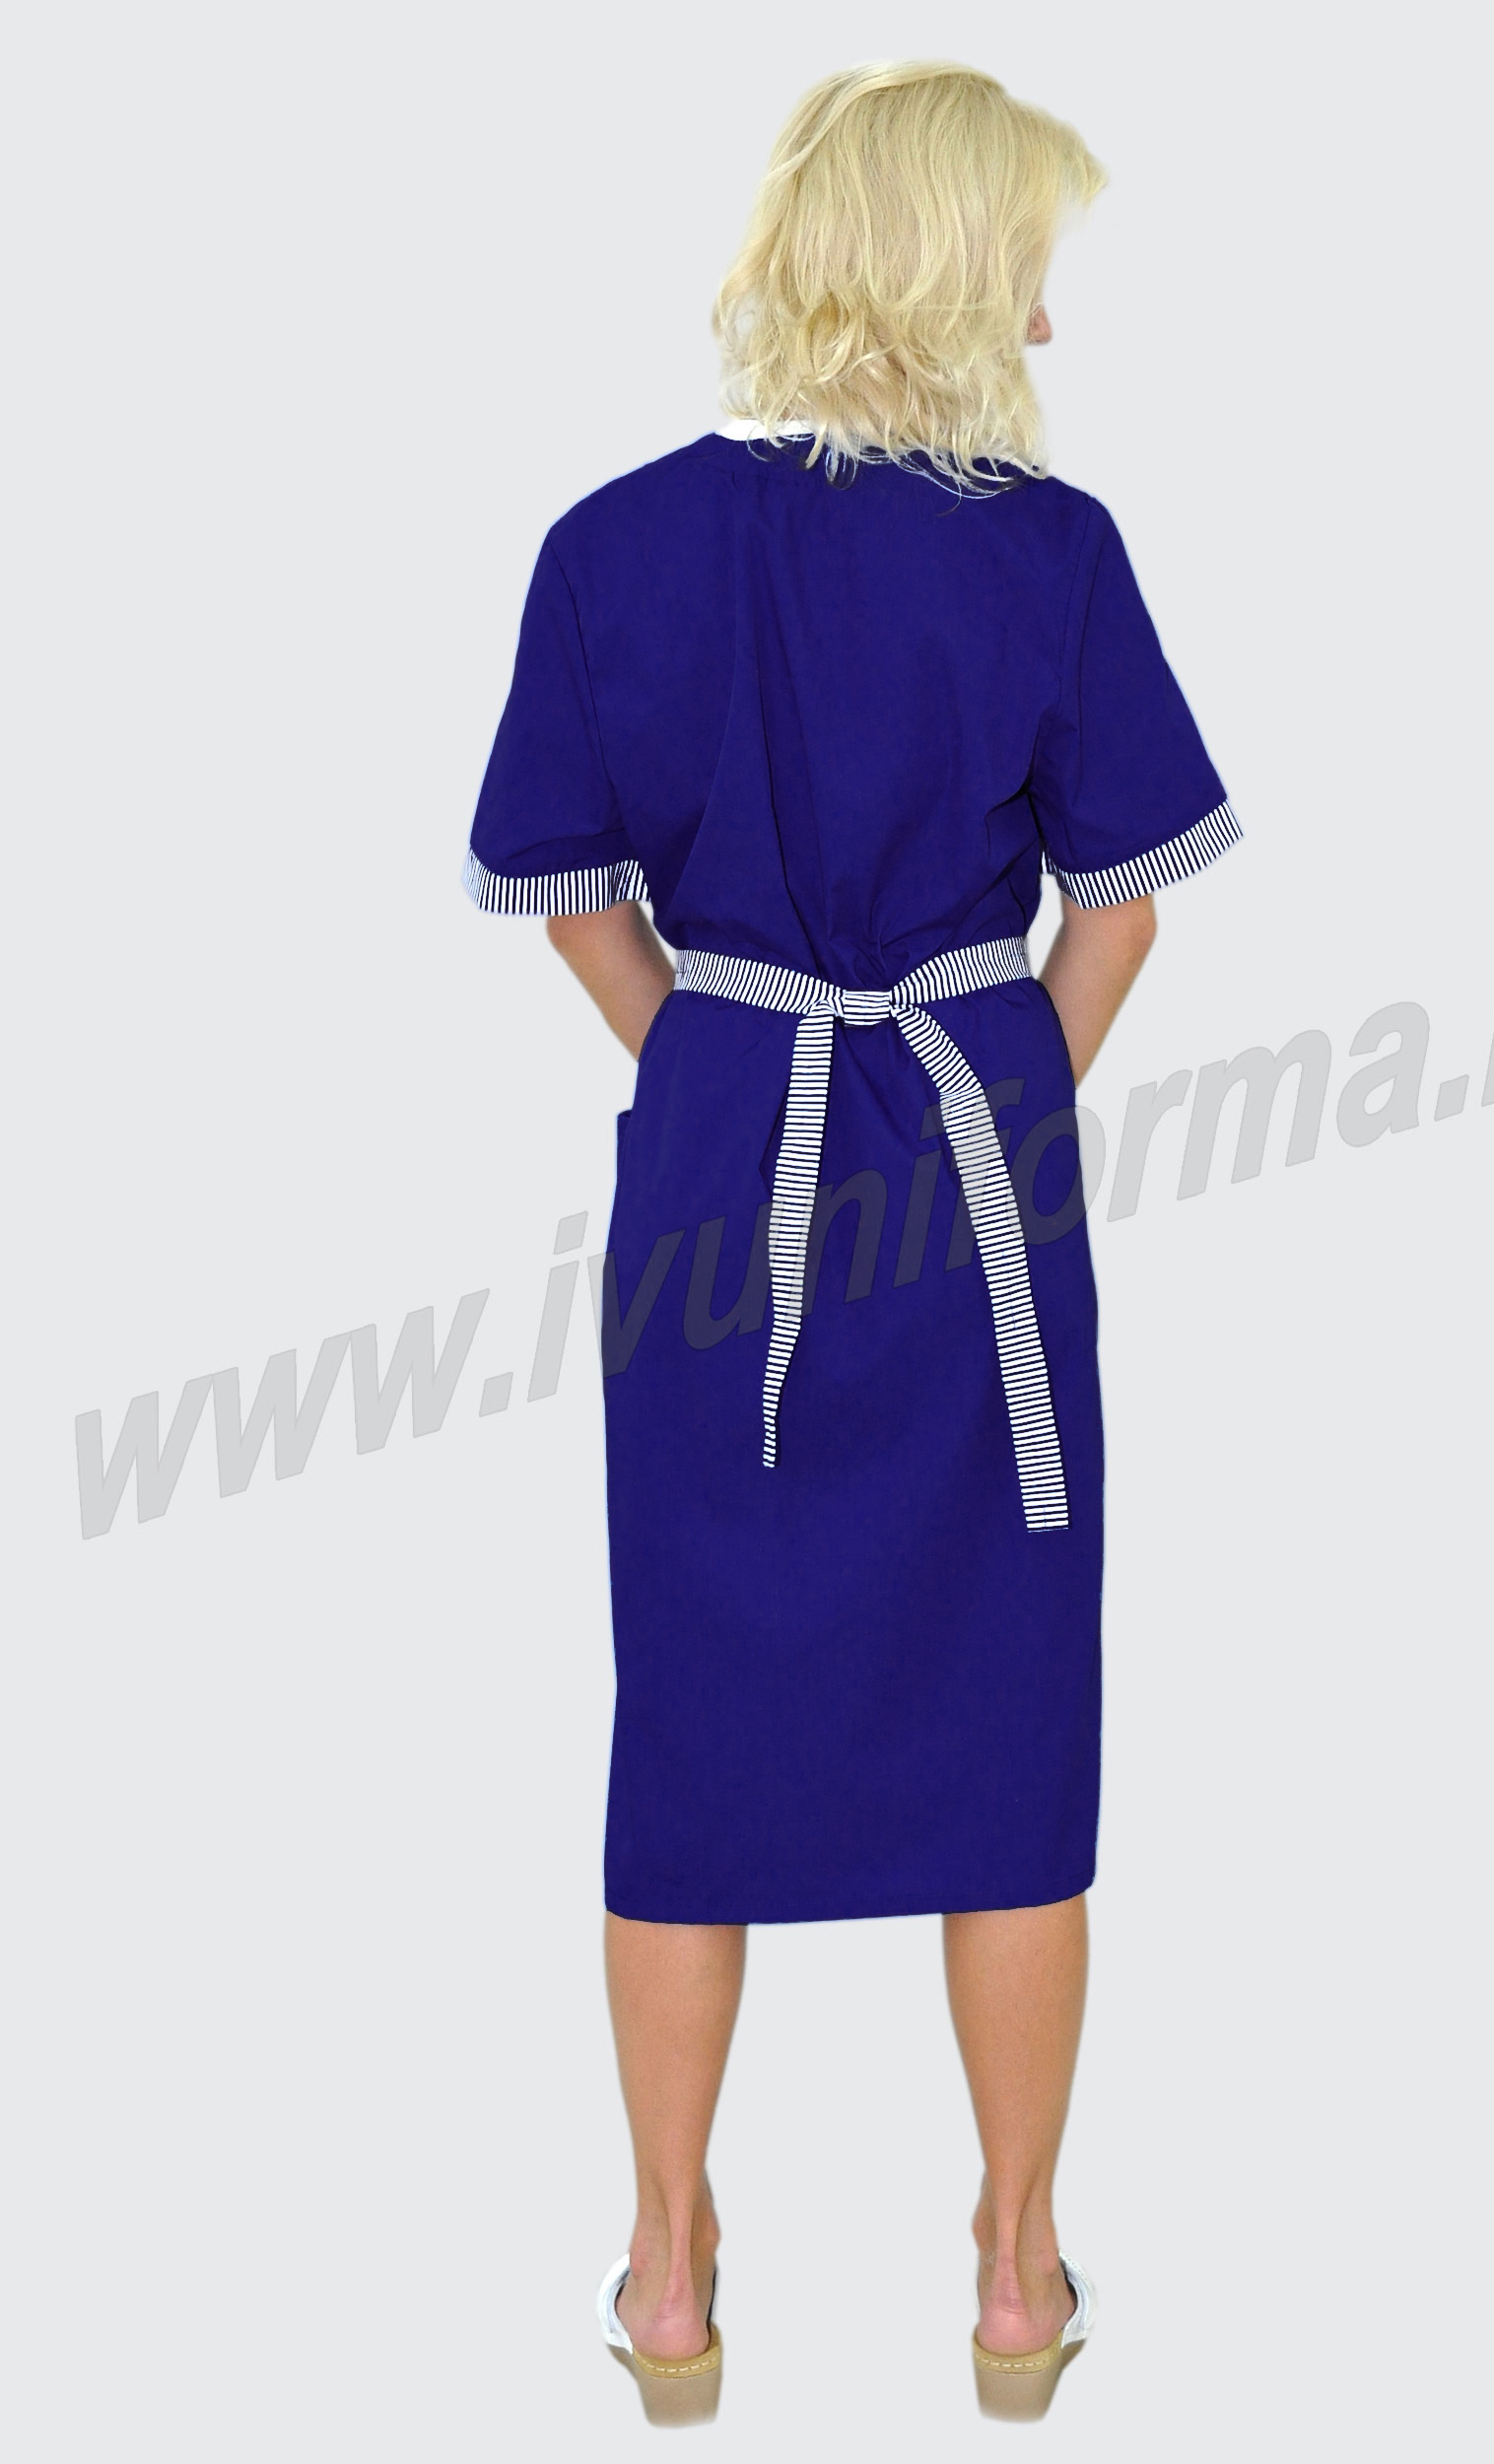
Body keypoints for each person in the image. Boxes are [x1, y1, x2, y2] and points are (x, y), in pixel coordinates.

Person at [464, 60, 1242, 2425]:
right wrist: (984, 1099)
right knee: (1010, 1721)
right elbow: (1118, 906)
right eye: (1027, 261)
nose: (1047, 312)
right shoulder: (1050, 552)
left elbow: (575, 899)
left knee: (691, 1715)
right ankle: (1014, 2269)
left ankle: (666, 2267)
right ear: (944, 268)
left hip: (722, 1157)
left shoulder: (610, 543)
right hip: (974, 1164)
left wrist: (713, 1062)